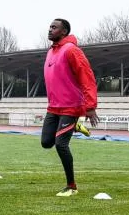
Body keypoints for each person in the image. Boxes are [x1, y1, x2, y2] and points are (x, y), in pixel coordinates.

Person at [41, 18, 98, 196]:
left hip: (71, 106)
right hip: (53, 107)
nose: (50, 30)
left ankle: (71, 186)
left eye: (54, 27)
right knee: (46, 142)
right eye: (50, 27)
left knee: (61, 145)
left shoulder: (72, 51)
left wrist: (90, 106)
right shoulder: (51, 52)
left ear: (64, 31)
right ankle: (76, 127)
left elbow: (87, 77)